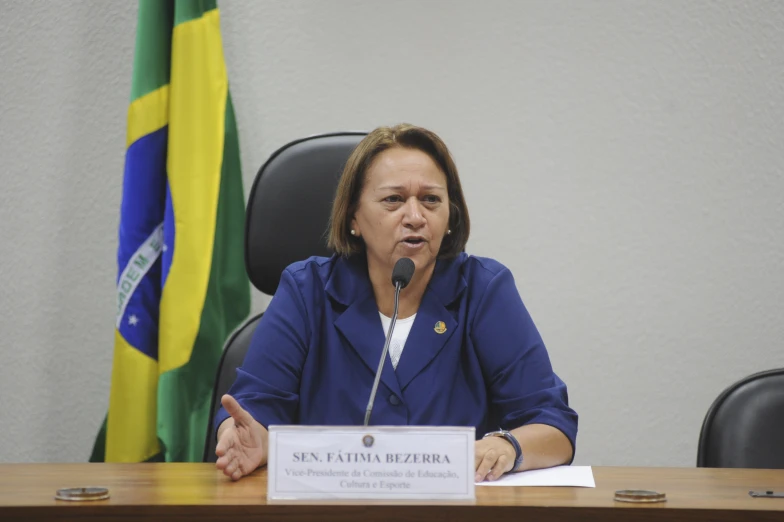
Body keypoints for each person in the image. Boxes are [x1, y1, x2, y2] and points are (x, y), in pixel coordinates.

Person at [214, 124, 577, 482]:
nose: (416, 217)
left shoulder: (483, 289)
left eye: (431, 200)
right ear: (353, 217)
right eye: (394, 200)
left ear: (450, 216)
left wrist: (508, 446)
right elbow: (253, 412)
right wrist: (251, 440)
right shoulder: (305, 290)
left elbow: (553, 426)